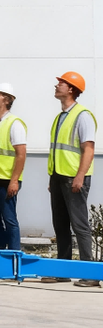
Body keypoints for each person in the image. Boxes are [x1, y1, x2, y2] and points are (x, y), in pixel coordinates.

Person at [44, 71, 98, 287]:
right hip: (59, 177)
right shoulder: (61, 117)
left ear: (72, 89)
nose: (57, 86)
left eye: (62, 83)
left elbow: (88, 149)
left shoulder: (83, 116)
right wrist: (52, 177)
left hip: (74, 178)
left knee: (80, 226)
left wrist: (80, 176)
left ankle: (90, 274)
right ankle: (63, 271)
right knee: (60, 226)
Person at [0, 83, 26, 251]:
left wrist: (14, 180)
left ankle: (14, 254)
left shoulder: (14, 123)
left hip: (6, 180)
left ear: (6, 99)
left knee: (9, 220)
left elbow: (21, 154)